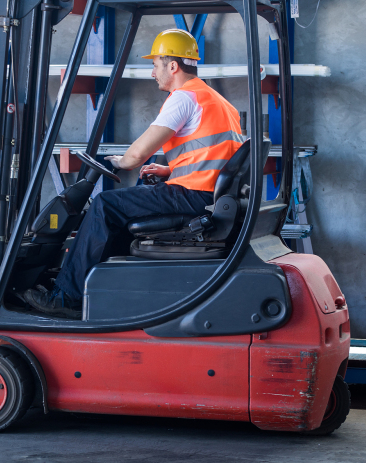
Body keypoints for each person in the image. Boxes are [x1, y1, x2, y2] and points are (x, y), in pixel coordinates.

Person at [24, 29, 243, 318]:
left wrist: (122, 161)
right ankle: (100, 285)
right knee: (130, 198)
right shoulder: (217, 100)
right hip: (206, 193)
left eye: (155, 64)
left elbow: (137, 155)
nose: (153, 72)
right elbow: (217, 156)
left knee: (105, 205)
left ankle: (67, 296)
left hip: (194, 195)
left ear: (173, 66)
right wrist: (168, 169)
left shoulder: (184, 98)